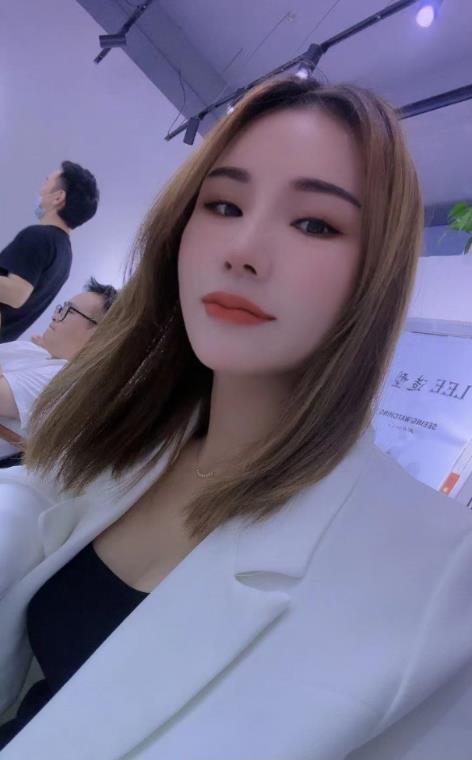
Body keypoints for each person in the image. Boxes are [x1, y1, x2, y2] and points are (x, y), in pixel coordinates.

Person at [0, 77, 471, 760]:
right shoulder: (126, 436)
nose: (243, 249)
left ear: (375, 274)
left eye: (315, 223)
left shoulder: (437, 576)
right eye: (222, 205)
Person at [0, 277, 117, 466]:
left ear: (101, 334)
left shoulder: (66, 381)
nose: (55, 316)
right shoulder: (35, 350)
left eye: (68, 311)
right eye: (61, 308)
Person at [0, 161, 100, 343]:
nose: (40, 189)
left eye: (46, 181)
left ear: (58, 197)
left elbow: (16, 295)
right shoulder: (64, 254)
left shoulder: (37, 237)